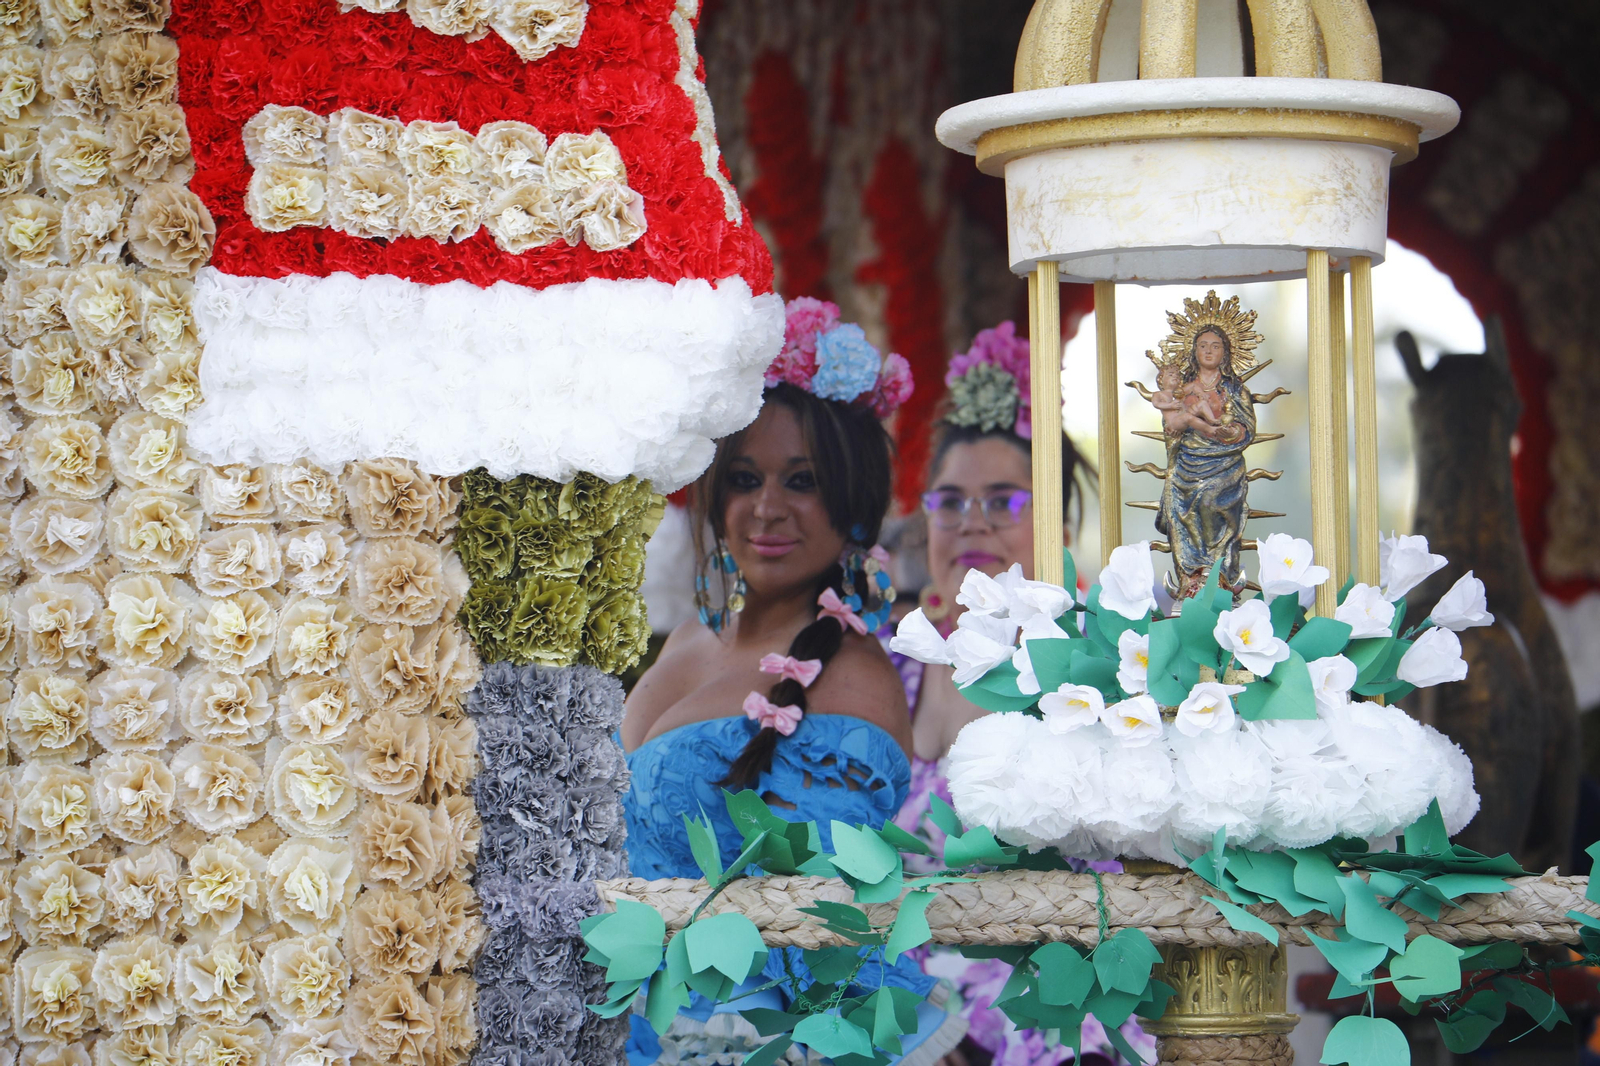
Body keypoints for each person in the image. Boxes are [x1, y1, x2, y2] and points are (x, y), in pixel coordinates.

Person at [620, 297, 968, 1066]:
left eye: (801, 481)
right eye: (744, 478)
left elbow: (808, 935)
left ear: (851, 506)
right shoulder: (689, 637)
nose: (766, 508)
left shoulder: (853, 681)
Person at [889, 322, 1154, 1066]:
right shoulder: (889, 661)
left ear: (1059, 523)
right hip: (901, 1020)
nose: (972, 522)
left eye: (1004, 502)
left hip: (1060, 1015)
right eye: (950, 502)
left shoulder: (1092, 673)